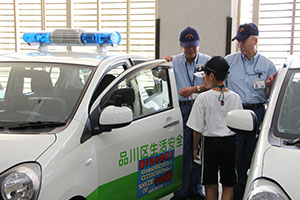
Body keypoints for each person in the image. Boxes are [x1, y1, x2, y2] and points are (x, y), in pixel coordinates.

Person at [225, 23, 277, 200]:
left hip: (258, 114)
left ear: (255, 40)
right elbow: (213, 77)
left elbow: (270, 96)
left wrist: (269, 87)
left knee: (253, 157)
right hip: (237, 113)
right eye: (238, 41)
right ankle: (235, 194)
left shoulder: (268, 65)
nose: (240, 45)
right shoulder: (229, 61)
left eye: (243, 41)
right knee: (235, 159)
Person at [187, 56, 243, 200]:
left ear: (211, 76)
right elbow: (239, 125)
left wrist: (195, 147)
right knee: (228, 183)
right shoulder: (236, 98)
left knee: (210, 183)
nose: (203, 79)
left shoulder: (203, 98)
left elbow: (197, 129)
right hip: (229, 143)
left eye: (204, 75)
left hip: (209, 143)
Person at [165, 26, 210, 200]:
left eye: (193, 45)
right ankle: (181, 191)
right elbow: (160, 76)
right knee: (183, 150)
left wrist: (195, 89)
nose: (190, 49)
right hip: (182, 109)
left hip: (202, 107)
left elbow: (215, 84)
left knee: (198, 150)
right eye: (186, 46)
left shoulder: (208, 61)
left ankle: (196, 189)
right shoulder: (173, 61)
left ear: (198, 44)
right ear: (181, 46)